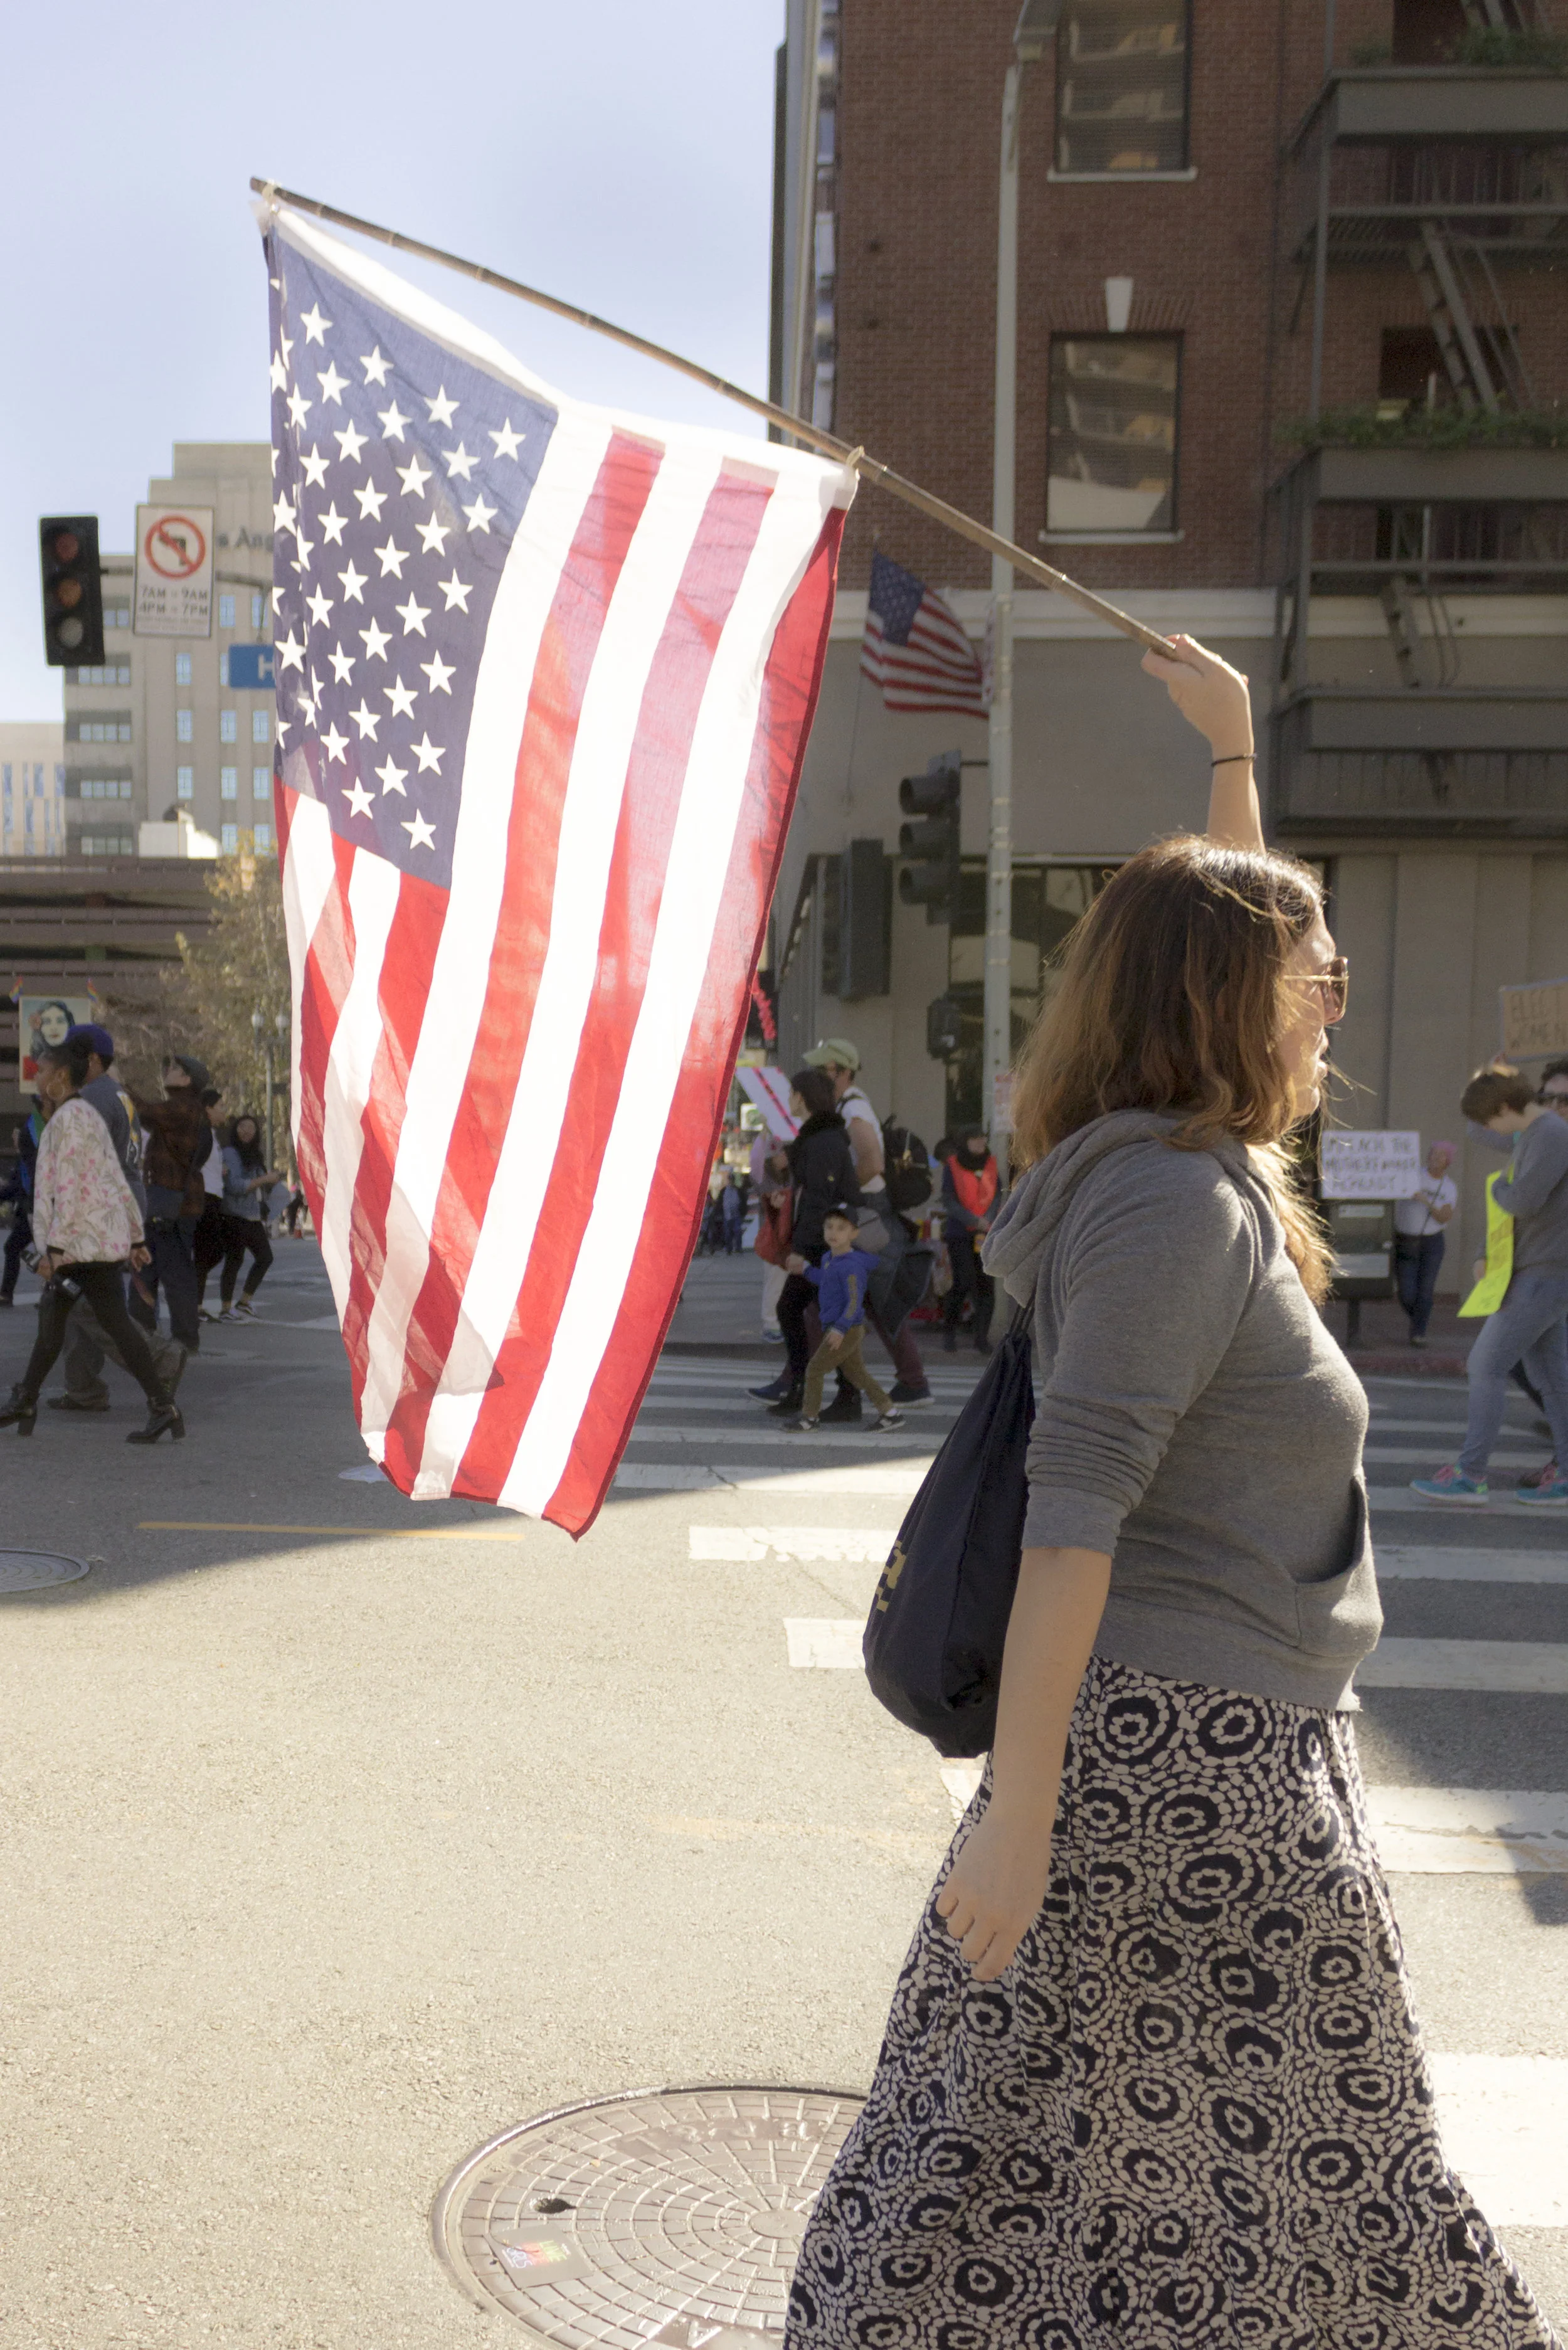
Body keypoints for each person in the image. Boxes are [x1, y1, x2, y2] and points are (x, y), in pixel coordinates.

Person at [787, 633, 1559, 2350]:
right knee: (1300, 2183)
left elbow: (1231, 919)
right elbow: (1073, 1518)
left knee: (1086, 2168)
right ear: (1231, 1001)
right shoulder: (1167, 1208)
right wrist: (1023, 1811)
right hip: (1171, 1773)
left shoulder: (1191, 1173)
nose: (1333, 995)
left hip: (1207, 1751)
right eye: (1317, 975)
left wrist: (1226, 754)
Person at [0, 1035, 183, 1442]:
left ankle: (29, 1399)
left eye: (44, 1069)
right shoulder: (104, 1104)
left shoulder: (73, 1116)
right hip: (101, 1233)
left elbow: (64, 1187)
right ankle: (158, 1404)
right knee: (72, 1320)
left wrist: (53, 1249)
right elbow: (116, 1175)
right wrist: (134, 1237)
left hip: (81, 1239)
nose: (38, 1076)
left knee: (78, 1320)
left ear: (64, 1073)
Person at [1413, 1065, 1568, 1506]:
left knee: (1485, 1365)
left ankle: (1472, 1475)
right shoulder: (1534, 1132)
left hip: (1541, 1274)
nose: (1487, 1129)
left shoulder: (1550, 1135)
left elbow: (1521, 1199)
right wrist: (1485, 1076)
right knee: (1552, 1378)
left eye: (1490, 1116)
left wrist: (1498, 1185)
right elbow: (1479, 1132)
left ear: (1505, 1108)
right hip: (1543, 1272)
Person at [50, 1025, 186, 1414]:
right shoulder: (118, 1093)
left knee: (79, 1299)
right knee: (83, 1294)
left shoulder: (89, 1099)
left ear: (91, 1059)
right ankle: (83, 1388)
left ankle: (160, 1357)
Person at [801, 1037, 932, 1412]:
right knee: (874, 1300)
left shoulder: (854, 1106)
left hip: (865, 1210)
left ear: (841, 1072)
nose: (816, 1077)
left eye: (822, 1070)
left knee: (837, 1300)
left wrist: (840, 1193)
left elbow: (872, 1163)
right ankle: (908, 1381)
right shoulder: (849, 1104)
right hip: (870, 1212)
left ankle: (849, 1390)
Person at [750, 1068, 862, 1415]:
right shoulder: (817, 1138)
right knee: (824, 1317)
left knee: (802, 1312)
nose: (788, 1100)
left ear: (803, 1097)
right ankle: (836, 1394)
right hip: (825, 1240)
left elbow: (818, 1199)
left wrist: (800, 1250)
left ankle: (823, 1393)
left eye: (792, 1093)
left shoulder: (824, 1140)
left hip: (826, 1245)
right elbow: (807, 1192)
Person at [784, 1206, 903, 1432]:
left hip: (846, 1329)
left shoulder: (851, 1266)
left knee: (815, 1369)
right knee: (857, 1373)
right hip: (840, 1327)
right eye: (829, 1227)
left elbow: (854, 1302)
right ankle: (890, 1413)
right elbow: (827, 1280)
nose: (833, 1233)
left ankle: (809, 1418)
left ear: (854, 1234)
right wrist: (807, 1270)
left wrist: (840, 1329)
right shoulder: (830, 1258)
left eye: (841, 1228)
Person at [129, 1054, 213, 1353]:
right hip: (171, 1203)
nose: (169, 1071)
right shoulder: (187, 1108)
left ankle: (182, 1339)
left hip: (172, 1205)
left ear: (188, 1080)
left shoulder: (184, 1106)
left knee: (173, 1274)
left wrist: (116, 1086)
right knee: (147, 1269)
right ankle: (143, 1333)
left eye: (176, 1069)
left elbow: (144, 1112)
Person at [215, 1114, 282, 1318]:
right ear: (235, 1130)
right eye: (242, 1127)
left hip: (252, 1215)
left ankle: (244, 1302)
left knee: (265, 1258)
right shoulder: (231, 1153)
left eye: (251, 1128)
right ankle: (226, 1308)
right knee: (234, 1260)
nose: (247, 1131)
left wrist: (270, 1181)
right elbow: (235, 1186)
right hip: (235, 1214)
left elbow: (256, 1184)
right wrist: (264, 1179)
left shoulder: (254, 1154)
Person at [940, 1126, 999, 1353]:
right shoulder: (952, 1166)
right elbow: (949, 1201)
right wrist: (975, 1220)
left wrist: (988, 1220)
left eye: (982, 1138)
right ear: (965, 1142)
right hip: (960, 1233)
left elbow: (997, 1195)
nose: (980, 1142)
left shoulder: (991, 1163)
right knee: (963, 1282)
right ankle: (949, 1332)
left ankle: (981, 1338)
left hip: (985, 1233)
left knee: (986, 1286)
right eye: (975, 1139)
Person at [1394, 1137, 1456, 1347]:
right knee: (1406, 1292)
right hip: (1405, 1239)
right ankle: (1419, 1319)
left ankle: (1419, 1332)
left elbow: (1444, 1217)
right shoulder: (1412, 1176)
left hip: (1432, 1243)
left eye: (1440, 1155)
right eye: (1432, 1153)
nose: (1434, 1159)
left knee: (1426, 1288)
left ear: (1448, 1162)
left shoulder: (1449, 1188)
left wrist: (1426, 1202)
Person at [1, 1104, 41, 1306]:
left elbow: (16, 1187)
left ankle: (7, 1294)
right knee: (14, 1248)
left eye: (19, 1136)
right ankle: (6, 1294)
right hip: (29, 1213)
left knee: (14, 1247)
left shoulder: (31, 1159)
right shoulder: (23, 1160)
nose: (15, 1140)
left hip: (37, 1212)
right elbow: (13, 1189)